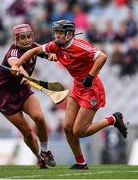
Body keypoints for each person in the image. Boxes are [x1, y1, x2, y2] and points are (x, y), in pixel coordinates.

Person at [11, 20, 128, 169]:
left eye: (60, 33)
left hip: (91, 89)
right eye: (56, 32)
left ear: (70, 34)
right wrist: (17, 64)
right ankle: (81, 162)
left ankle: (112, 119)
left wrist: (90, 76)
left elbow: (102, 57)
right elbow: (34, 51)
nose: (57, 36)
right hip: (77, 87)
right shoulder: (55, 45)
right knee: (67, 127)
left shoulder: (79, 46)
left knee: (78, 131)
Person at [0, 23, 56, 169]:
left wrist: (52, 55)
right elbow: (16, 63)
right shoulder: (13, 53)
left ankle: (46, 151)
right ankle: (39, 158)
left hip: (23, 91)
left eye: (29, 36)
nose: (27, 40)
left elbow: (47, 52)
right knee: (27, 132)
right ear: (16, 40)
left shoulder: (33, 46)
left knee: (40, 118)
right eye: (23, 38)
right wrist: (21, 73)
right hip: (6, 98)